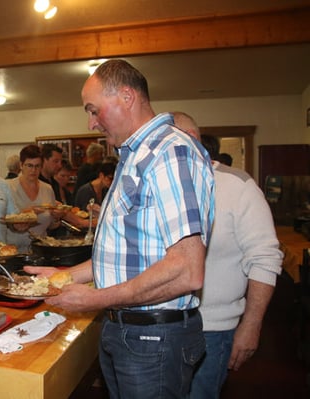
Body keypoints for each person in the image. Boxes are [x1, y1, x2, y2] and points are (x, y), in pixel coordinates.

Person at [25, 59, 214, 399]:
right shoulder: (136, 156)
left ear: (127, 96)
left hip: (153, 338)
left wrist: (95, 298)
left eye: (94, 110)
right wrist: (64, 274)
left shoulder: (170, 152)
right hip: (129, 331)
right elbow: (125, 254)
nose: (91, 122)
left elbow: (188, 271)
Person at [172, 112, 283, 399]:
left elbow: (265, 259)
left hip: (213, 330)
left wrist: (252, 323)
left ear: (191, 141)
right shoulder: (165, 186)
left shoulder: (237, 186)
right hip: (166, 328)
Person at [6, 144, 64, 252]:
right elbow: (4, 220)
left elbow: (51, 225)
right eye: (29, 165)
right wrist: (28, 213)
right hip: (13, 251)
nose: (33, 170)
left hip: (40, 249)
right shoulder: (8, 187)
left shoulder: (47, 189)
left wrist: (56, 217)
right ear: (21, 165)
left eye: (37, 166)